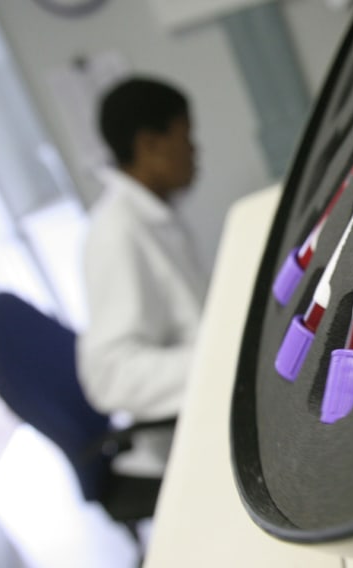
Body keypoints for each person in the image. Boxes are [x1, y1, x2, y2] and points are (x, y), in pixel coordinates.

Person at [77, 77, 208, 478]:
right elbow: (110, 375)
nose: (194, 151)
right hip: (181, 439)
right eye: (185, 137)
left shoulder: (153, 216)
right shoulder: (117, 233)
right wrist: (217, 360)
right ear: (150, 144)